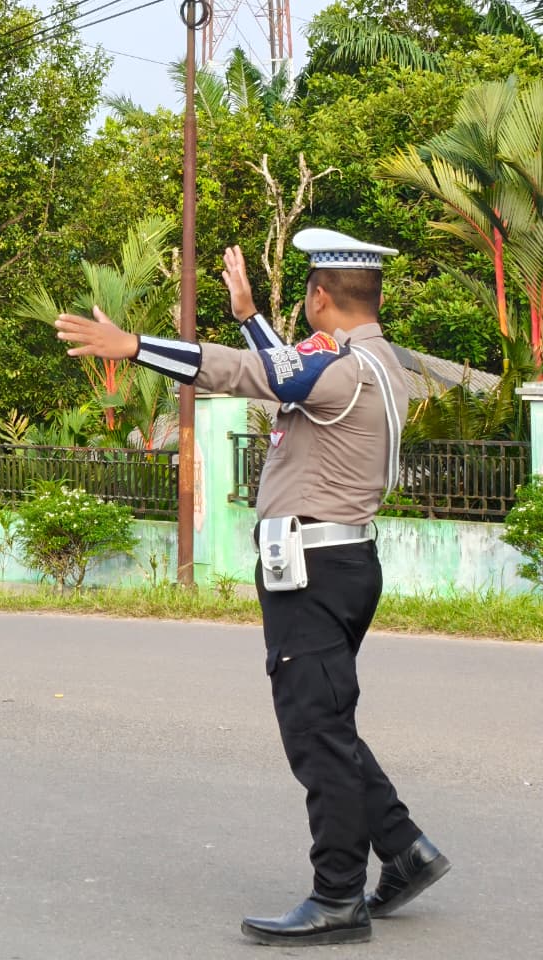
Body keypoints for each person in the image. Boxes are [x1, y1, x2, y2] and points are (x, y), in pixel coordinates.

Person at [54, 228, 450, 947]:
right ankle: (405, 849)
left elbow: (251, 373)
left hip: (314, 575)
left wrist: (135, 347)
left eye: (304, 296)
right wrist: (249, 311)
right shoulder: (379, 361)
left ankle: (338, 898)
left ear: (320, 296)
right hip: (342, 566)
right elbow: (281, 364)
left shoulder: (340, 370)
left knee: (314, 733)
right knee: (328, 720)